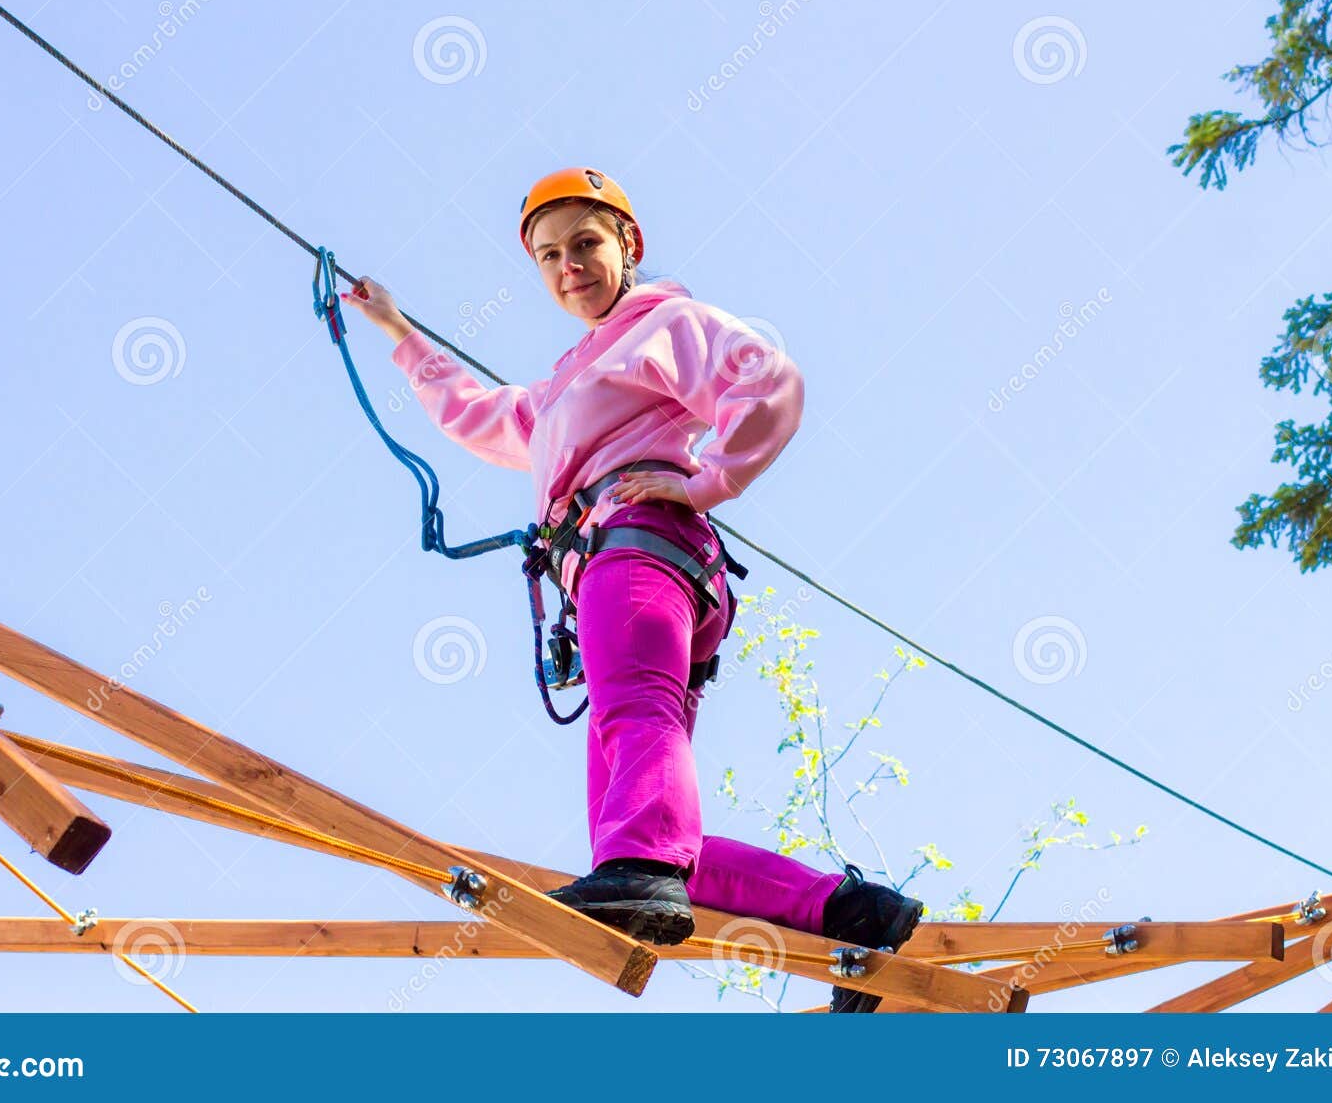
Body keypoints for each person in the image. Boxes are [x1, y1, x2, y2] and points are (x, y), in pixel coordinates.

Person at [341, 167, 921, 1011]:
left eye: (585, 243)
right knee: (633, 816)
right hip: (625, 573)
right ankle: (849, 911)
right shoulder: (565, 387)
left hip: (643, 552)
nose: (568, 264)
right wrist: (397, 329)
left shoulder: (665, 325)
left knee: (637, 785)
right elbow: (473, 411)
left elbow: (768, 378)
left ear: (629, 246)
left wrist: (708, 480)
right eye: (549, 255)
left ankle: (646, 874)